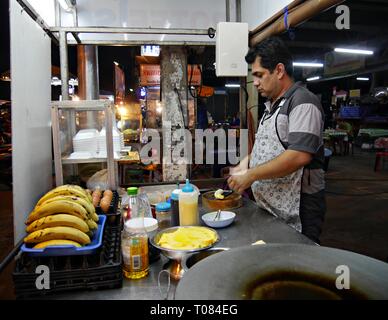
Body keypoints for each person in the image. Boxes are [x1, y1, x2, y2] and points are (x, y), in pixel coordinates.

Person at [227, 37, 326, 244]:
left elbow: (298, 156)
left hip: (299, 208)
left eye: (259, 75)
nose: (255, 82)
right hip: (271, 207)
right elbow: (267, 147)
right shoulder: (272, 106)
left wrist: (251, 175)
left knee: (298, 263)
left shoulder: (303, 102)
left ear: (279, 71)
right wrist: (245, 164)